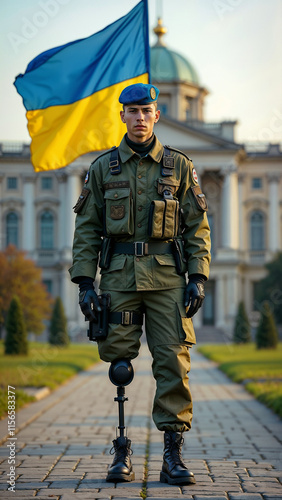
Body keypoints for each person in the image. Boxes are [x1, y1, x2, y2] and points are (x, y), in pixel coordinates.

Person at [69, 83, 211, 485]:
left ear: (157, 114)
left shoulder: (179, 166)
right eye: (132, 111)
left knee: (172, 363)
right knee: (118, 364)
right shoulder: (103, 168)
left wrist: (198, 275)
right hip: (119, 277)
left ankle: (172, 454)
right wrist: (85, 282)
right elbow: (88, 228)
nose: (140, 118)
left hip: (167, 278)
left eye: (146, 110)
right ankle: (121, 449)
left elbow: (197, 226)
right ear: (122, 116)